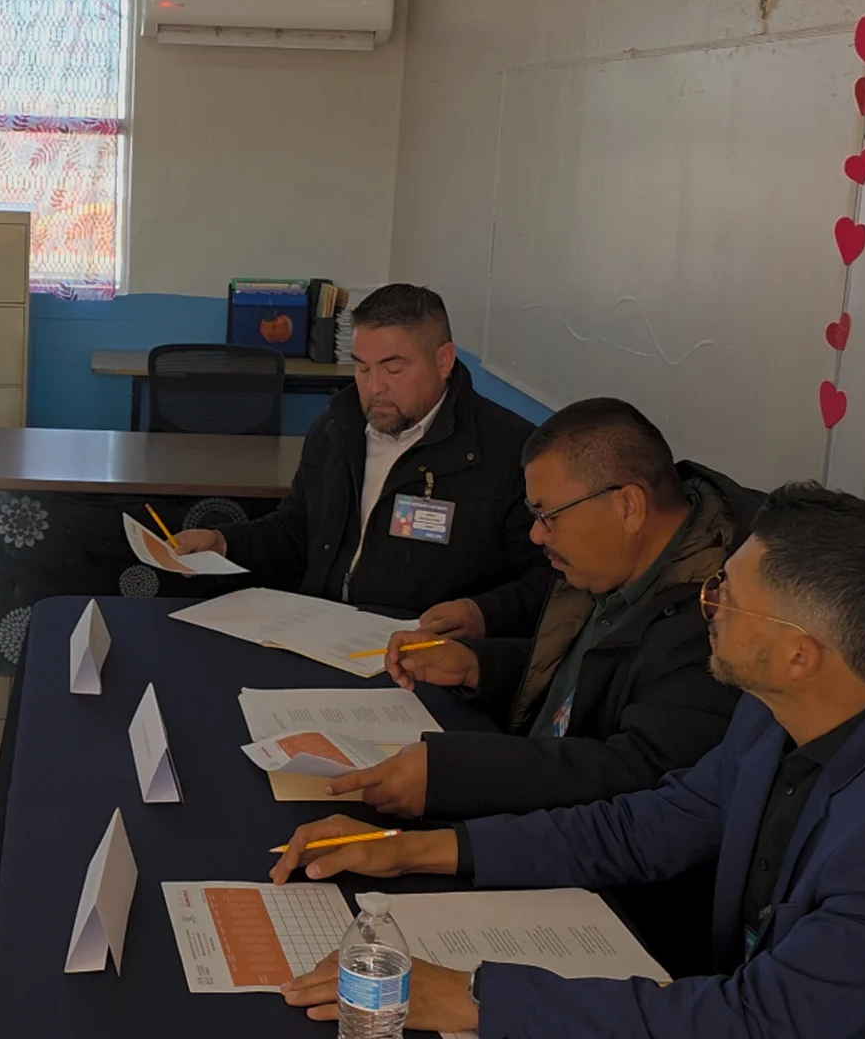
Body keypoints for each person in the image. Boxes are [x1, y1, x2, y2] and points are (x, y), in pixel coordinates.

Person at [270, 483, 865, 1039]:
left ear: (799, 653)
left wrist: (469, 995)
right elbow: (644, 827)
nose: (706, 605)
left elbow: (760, 1021)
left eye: (727, 595)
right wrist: (414, 851)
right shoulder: (783, 706)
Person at [321, 397, 752, 972]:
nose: (536, 534)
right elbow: (588, 680)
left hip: (620, 905)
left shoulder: (717, 620)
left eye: (549, 514)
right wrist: (480, 667)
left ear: (627, 506)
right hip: (539, 826)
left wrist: (451, 774)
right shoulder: (613, 564)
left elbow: (636, 775)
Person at [171, 284, 548, 638]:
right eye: (363, 367)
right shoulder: (337, 428)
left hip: (423, 655)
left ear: (444, 360)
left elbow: (549, 579)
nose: (374, 387)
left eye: (394, 368)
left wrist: (484, 614)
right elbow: (296, 532)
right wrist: (222, 543)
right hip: (318, 635)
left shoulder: (510, 452)